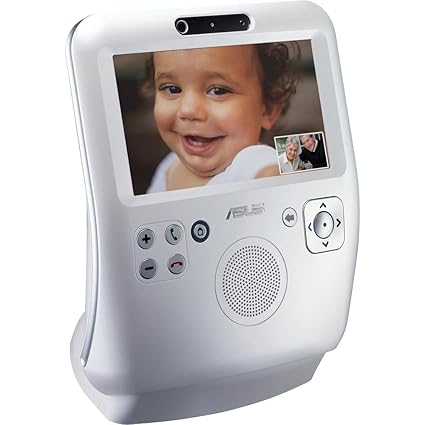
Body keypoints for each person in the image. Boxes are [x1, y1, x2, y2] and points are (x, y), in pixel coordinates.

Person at [142, 43, 300, 192]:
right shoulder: (168, 165)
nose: (188, 110)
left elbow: (288, 171)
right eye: (172, 89)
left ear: (268, 109)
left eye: (218, 91)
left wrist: (300, 156)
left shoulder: (253, 162)